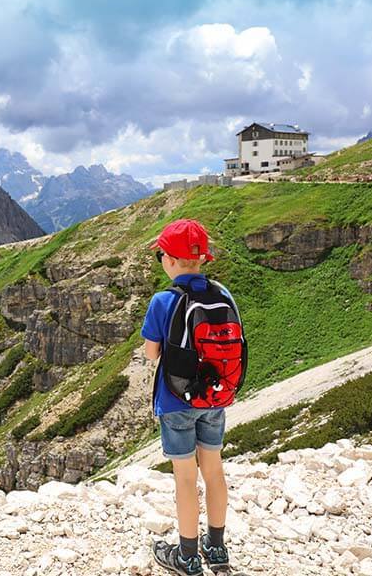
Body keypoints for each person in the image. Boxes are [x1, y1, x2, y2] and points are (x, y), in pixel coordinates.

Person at [141, 218, 235, 575]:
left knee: (185, 478)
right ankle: (217, 548)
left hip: (177, 401)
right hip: (216, 398)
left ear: (170, 260)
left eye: (161, 255)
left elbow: (151, 354)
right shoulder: (222, 293)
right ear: (201, 259)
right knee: (213, 470)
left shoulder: (163, 300)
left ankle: (187, 556)